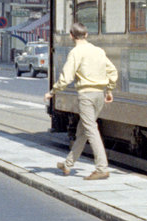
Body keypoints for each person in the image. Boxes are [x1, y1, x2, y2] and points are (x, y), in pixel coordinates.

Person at [45, 22, 117, 180]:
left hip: (86, 95)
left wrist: (52, 92)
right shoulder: (98, 51)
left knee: (90, 129)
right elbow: (112, 70)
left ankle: (102, 168)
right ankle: (68, 164)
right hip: (99, 94)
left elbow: (66, 77)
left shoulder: (76, 52)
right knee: (82, 131)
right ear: (86, 35)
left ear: (71, 36)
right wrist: (109, 90)